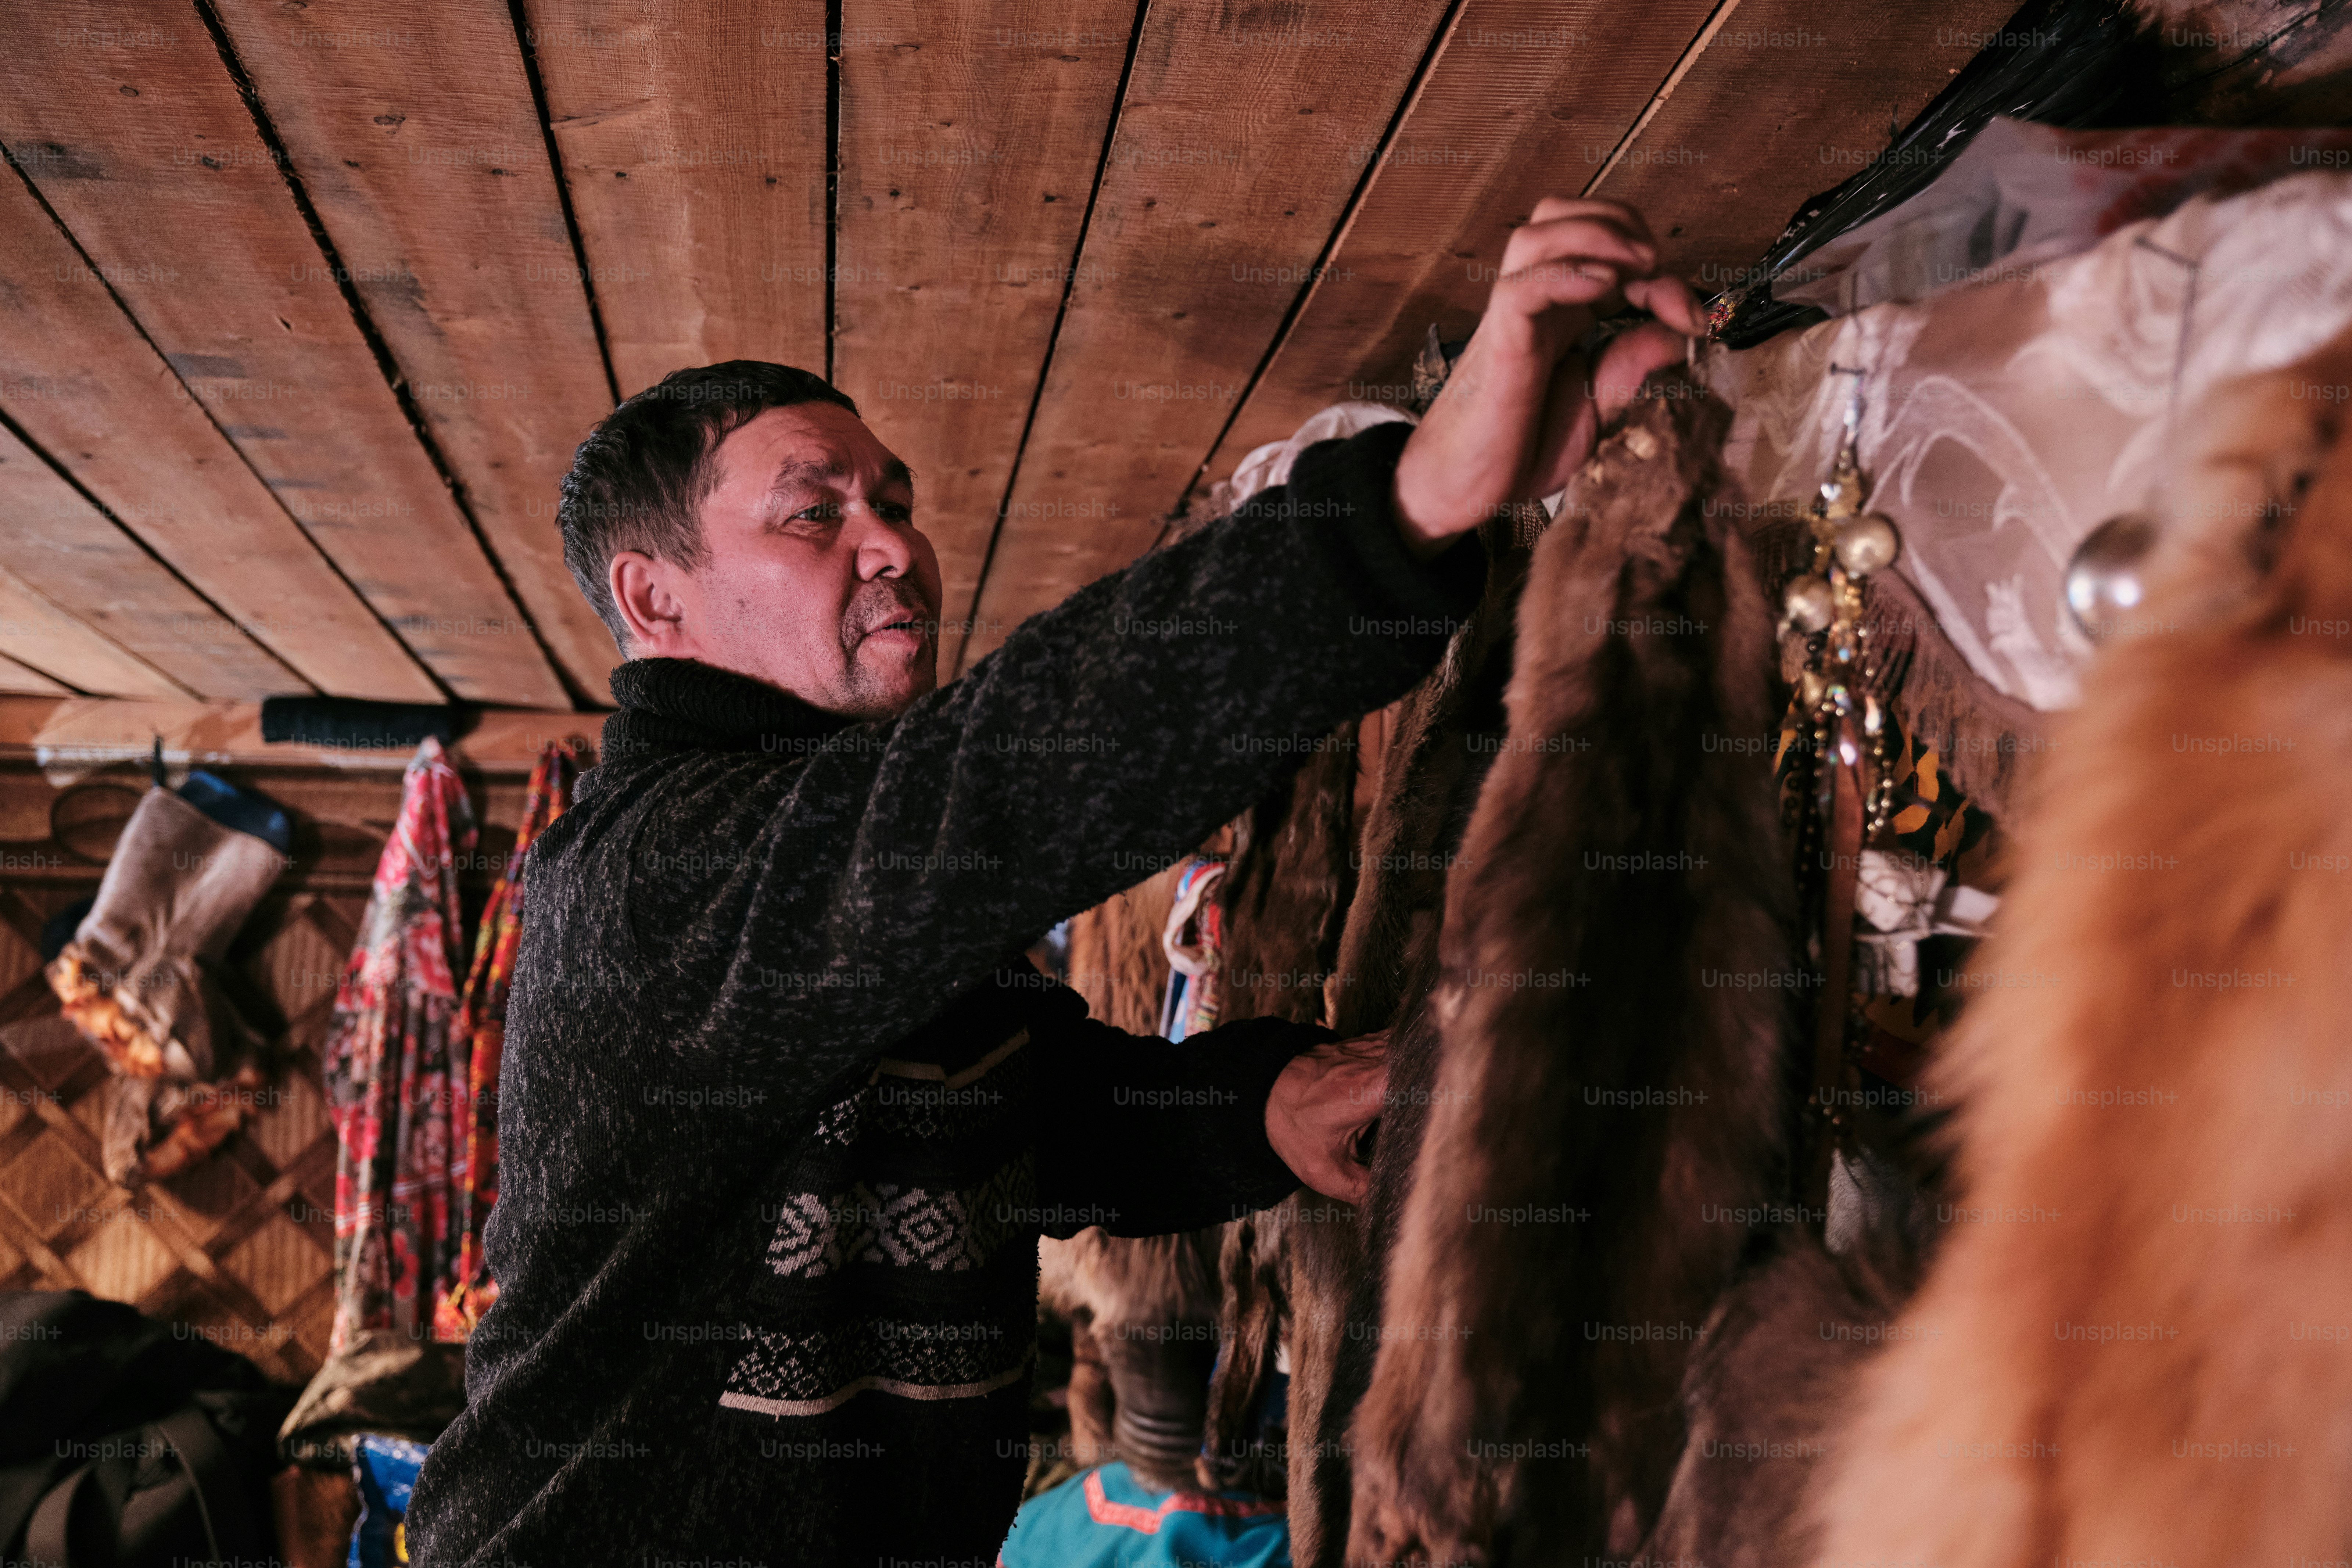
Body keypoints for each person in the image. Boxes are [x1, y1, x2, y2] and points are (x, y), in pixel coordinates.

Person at [405, 198, 1702, 1566]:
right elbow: (996, 786)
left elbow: (1003, 1118)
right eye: (815, 513)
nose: (894, 541)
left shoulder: (839, 876)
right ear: (654, 601)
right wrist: (1413, 498)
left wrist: (1255, 1104)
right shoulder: (657, 870)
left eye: (892, 499)